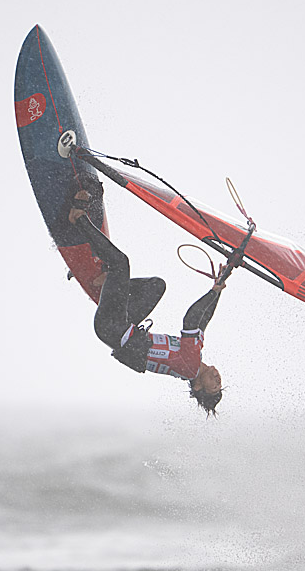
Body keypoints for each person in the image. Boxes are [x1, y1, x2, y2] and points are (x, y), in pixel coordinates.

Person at [67, 176, 225, 415]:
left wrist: (212, 292)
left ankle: (78, 217)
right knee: (156, 286)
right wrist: (218, 289)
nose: (217, 377)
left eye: (214, 385)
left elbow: (191, 320)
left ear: (200, 386)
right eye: (220, 382)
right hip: (122, 326)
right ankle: (106, 283)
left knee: (120, 263)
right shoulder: (190, 361)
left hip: (114, 328)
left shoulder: (191, 366)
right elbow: (202, 321)